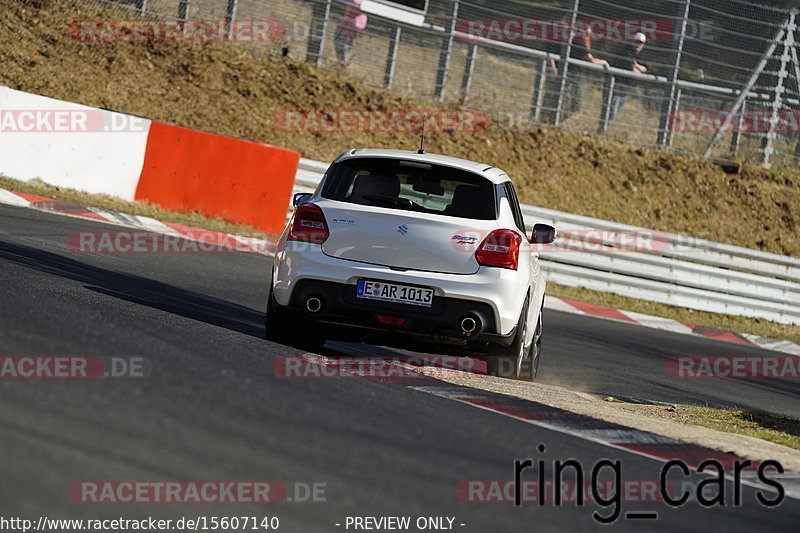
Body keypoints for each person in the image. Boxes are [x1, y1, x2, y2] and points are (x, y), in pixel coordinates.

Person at [542, 26, 609, 123]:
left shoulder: (569, 41)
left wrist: (554, 71)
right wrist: (604, 62)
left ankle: (552, 120)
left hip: (567, 76)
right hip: (571, 77)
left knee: (557, 99)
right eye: (587, 34)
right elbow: (591, 59)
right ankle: (552, 120)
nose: (588, 37)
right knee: (573, 104)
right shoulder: (578, 43)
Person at [607, 31, 648, 123]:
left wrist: (637, 66)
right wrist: (638, 68)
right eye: (637, 42)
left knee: (616, 110)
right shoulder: (626, 51)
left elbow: (645, 68)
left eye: (640, 43)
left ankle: (603, 128)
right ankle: (602, 128)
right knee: (611, 109)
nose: (638, 45)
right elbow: (632, 69)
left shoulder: (641, 55)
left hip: (627, 88)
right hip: (616, 85)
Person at [333, 0, 368, 65]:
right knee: (339, 50)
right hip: (341, 31)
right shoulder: (352, 9)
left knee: (343, 53)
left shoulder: (362, 15)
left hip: (347, 35)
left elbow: (359, 27)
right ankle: (340, 66)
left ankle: (342, 67)